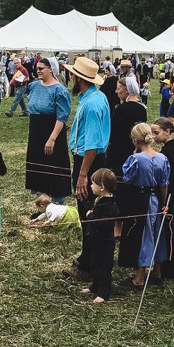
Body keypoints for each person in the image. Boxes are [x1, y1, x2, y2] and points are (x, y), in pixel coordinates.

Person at [62, 56, 110, 281]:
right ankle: (88, 257)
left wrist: (82, 174)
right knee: (89, 211)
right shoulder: (97, 97)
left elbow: (91, 143)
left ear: (76, 77)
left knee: (87, 212)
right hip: (94, 159)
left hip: (88, 161)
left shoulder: (90, 104)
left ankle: (88, 264)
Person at [120, 123, 171, 288]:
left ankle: (140, 277)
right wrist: (163, 202)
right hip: (156, 198)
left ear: (135, 140)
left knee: (145, 234)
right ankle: (157, 271)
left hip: (141, 199)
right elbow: (164, 184)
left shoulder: (135, 159)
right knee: (157, 231)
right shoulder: (162, 158)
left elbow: (127, 178)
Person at [24, 56, 73, 202]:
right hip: (36, 132)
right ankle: (41, 202)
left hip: (52, 132)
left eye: (41, 68)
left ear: (51, 69)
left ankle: (58, 202)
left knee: (54, 167)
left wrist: (52, 139)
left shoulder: (59, 90)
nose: (37, 71)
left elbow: (62, 117)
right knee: (38, 168)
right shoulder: (34, 86)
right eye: (37, 68)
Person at [80, 168, 119, 303]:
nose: (91, 186)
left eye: (93, 184)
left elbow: (103, 224)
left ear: (102, 187)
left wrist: (90, 215)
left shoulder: (110, 205)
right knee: (95, 265)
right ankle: (94, 286)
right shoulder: (100, 200)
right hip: (96, 241)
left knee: (104, 268)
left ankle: (104, 292)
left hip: (105, 243)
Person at [152, 117, 174, 276]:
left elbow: (169, 178)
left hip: (170, 197)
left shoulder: (166, 152)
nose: (154, 136)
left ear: (167, 131)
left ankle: (170, 265)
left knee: (169, 231)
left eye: (156, 133)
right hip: (173, 195)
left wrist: (166, 199)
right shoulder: (171, 147)